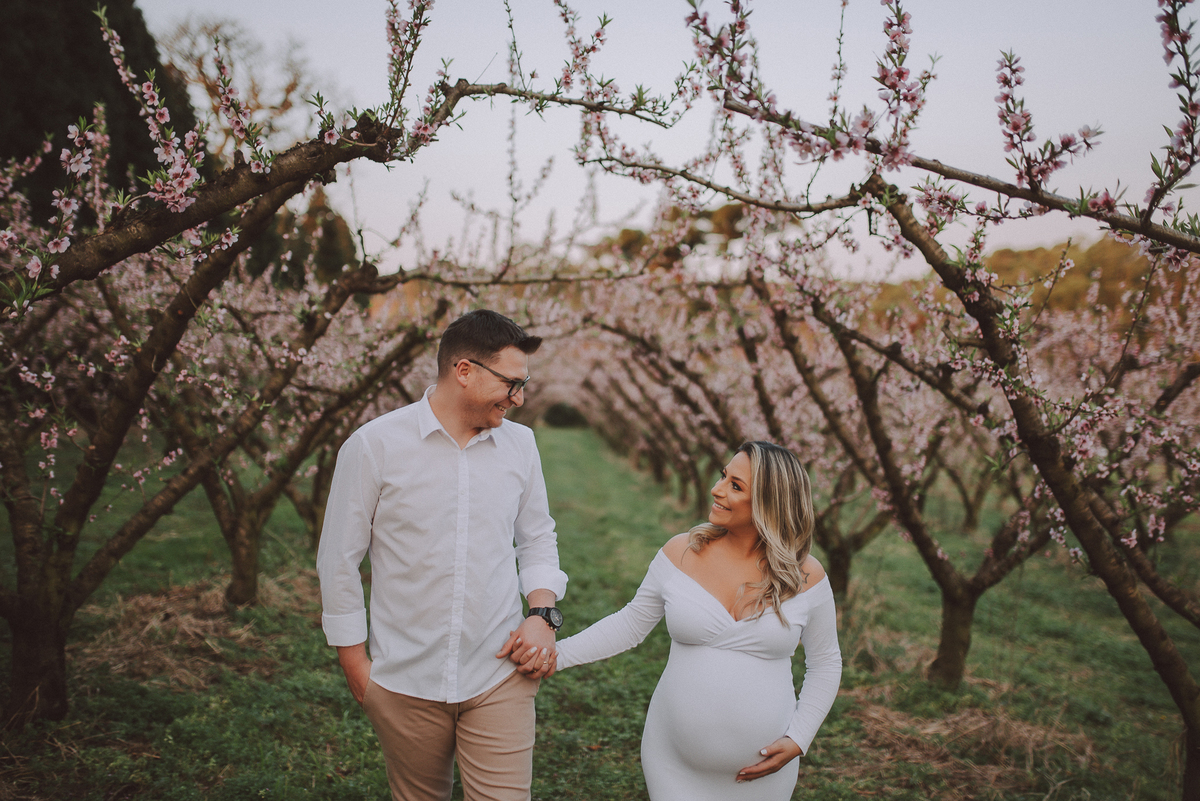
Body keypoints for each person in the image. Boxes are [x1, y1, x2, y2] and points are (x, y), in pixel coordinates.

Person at [316, 309, 568, 801]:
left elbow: (537, 536)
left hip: (499, 671)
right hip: (403, 679)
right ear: (464, 371)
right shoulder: (373, 446)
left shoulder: (521, 445)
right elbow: (338, 559)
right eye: (511, 384)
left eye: (523, 384)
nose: (519, 398)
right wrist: (356, 665)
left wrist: (542, 615)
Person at [555, 441, 842, 801]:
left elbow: (826, 661)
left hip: (765, 773)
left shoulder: (806, 575)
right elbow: (629, 624)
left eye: (735, 486)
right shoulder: (682, 551)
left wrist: (800, 737)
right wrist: (555, 655)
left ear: (769, 501)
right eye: (723, 476)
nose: (716, 490)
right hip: (673, 762)